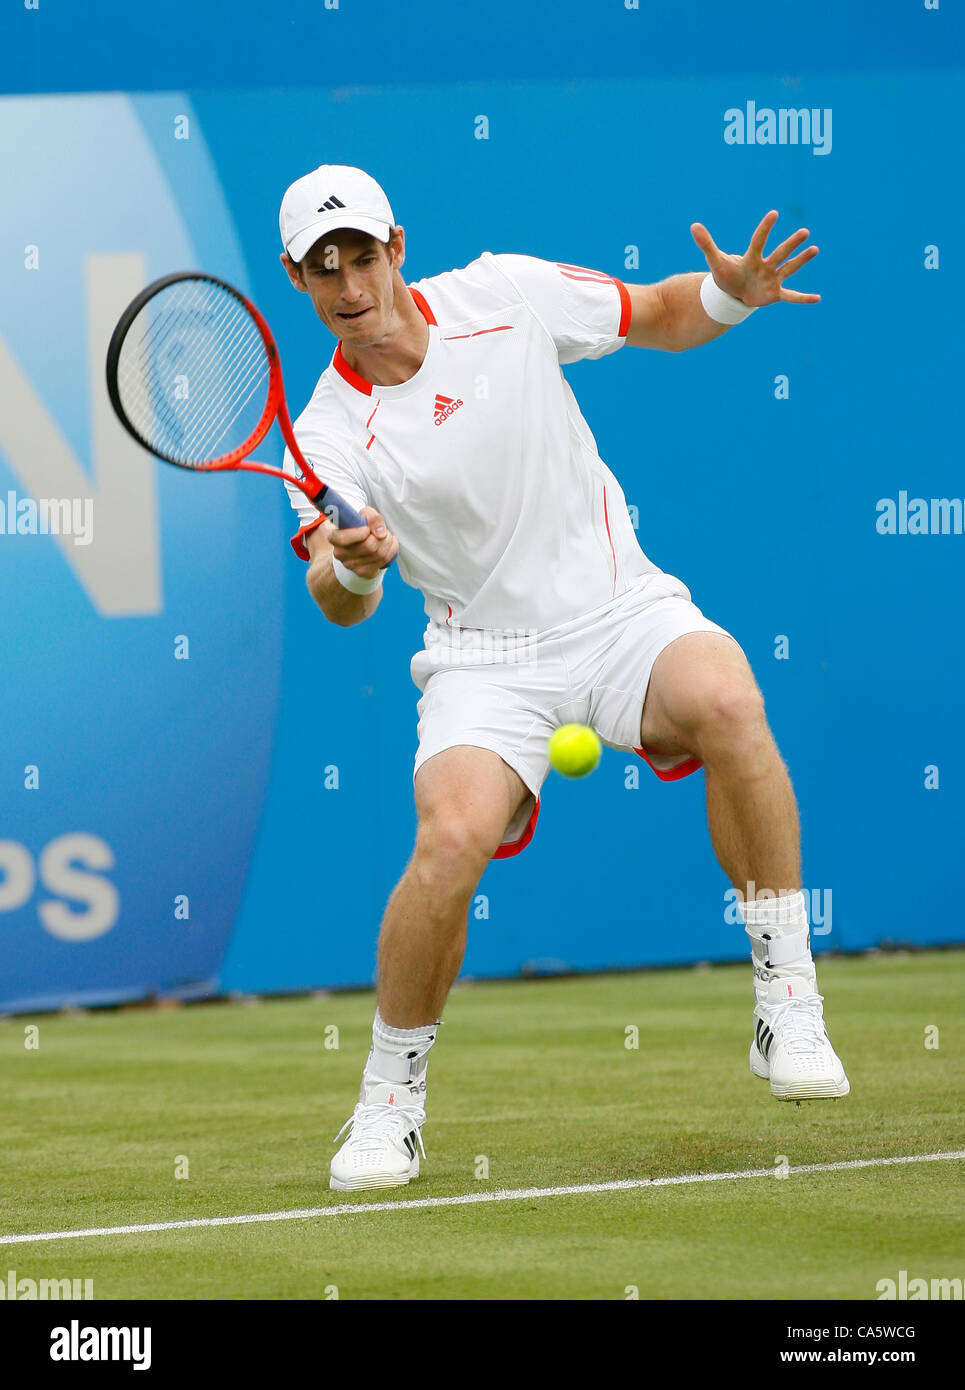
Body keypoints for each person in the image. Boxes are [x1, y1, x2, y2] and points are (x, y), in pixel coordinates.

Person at [278, 163, 849, 1193]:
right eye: (325, 268)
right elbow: (335, 591)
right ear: (298, 279)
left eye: (361, 255)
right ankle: (389, 1099)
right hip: (479, 660)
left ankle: (786, 998)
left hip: (617, 608)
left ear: (395, 248)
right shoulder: (321, 431)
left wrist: (729, 292)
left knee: (727, 699)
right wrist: (352, 569)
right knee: (448, 841)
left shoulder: (501, 293)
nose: (349, 284)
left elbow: (662, 311)